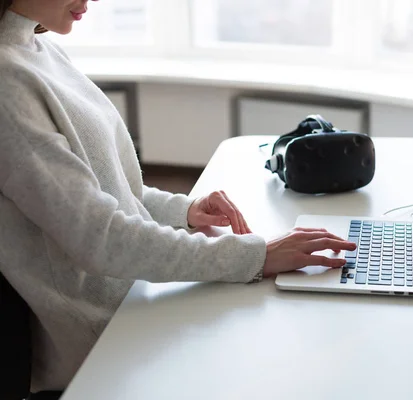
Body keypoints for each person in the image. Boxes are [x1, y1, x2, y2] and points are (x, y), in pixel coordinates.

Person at [0, 0, 357, 395]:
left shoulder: (38, 49)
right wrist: (258, 256)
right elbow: (99, 237)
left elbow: (108, 190)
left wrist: (184, 211)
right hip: (105, 347)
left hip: (137, 303)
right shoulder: (6, 82)